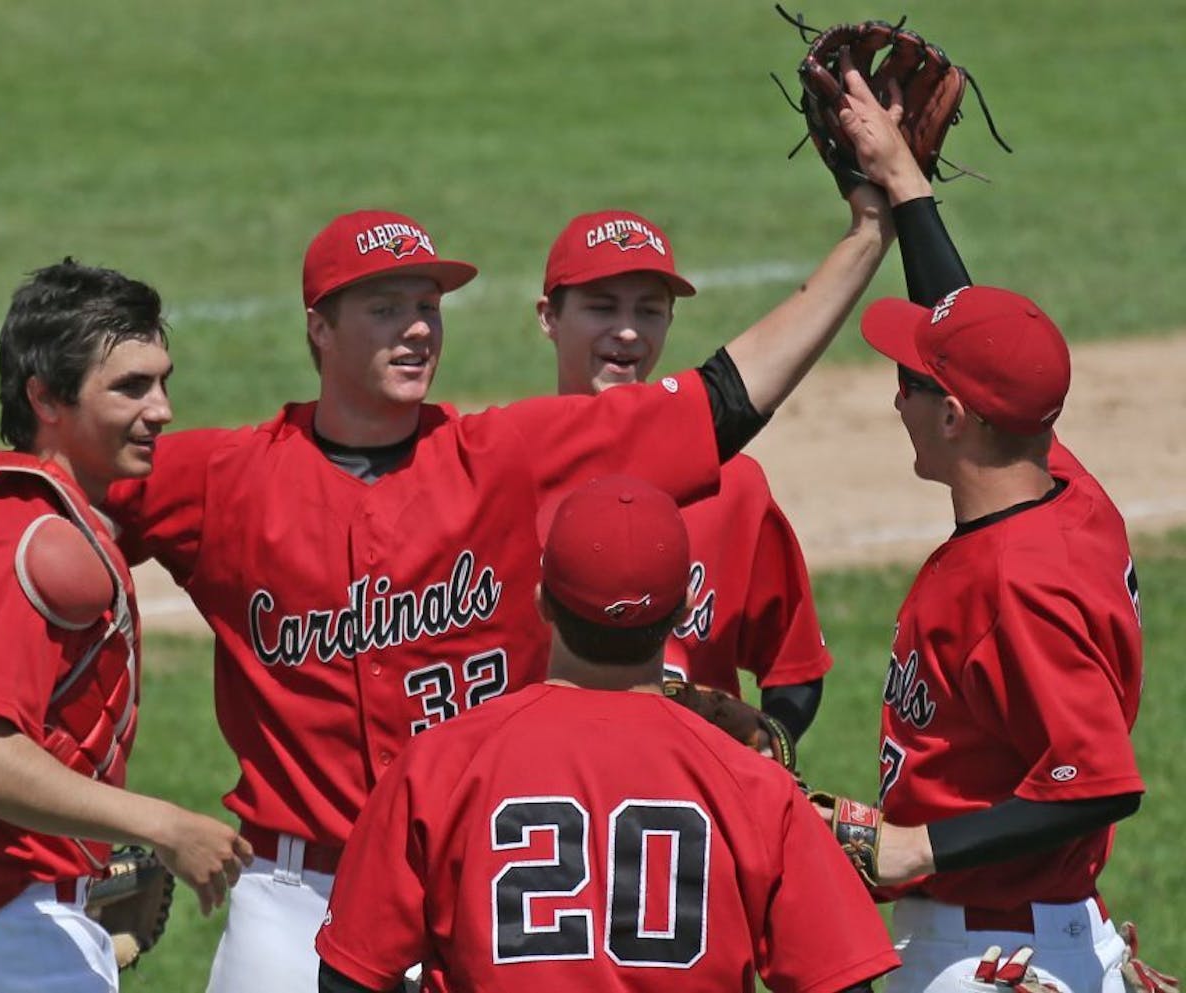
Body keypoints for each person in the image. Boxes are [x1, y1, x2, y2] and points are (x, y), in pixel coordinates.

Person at [0, 71, 926, 993]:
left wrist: (867, 234)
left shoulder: (508, 456)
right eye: (383, 307)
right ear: (318, 330)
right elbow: (51, 478)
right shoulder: (213, 477)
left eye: (428, 303)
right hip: (291, 891)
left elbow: (724, 400)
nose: (416, 325)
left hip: (478, 867)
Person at [0, 260, 253, 992]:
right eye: (130, 386)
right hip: (11, 940)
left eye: (163, 380)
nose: (162, 408)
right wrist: (163, 825)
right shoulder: (35, 544)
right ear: (46, 396)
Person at [315, 474, 901, 993]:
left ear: (543, 602)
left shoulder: (442, 764)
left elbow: (348, 976)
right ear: (683, 612)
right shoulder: (752, 786)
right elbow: (839, 982)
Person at [819, 69, 1146, 993]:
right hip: (1030, 928)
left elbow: (1101, 780)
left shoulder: (1018, 583)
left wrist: (914, 843)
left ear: (956, 418)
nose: (895, 395)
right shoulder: (1065, 491)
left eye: (909, 384)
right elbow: (972, 341)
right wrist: (907, 184)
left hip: (988, 953)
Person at [536, 209, 830, 742]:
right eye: (602, 307)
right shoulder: (505, 475)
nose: (627, 331)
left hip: (689, 807)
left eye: (649, 310)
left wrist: (765, 748)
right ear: (548, 317)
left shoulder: (734, 485)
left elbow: (796, 668)